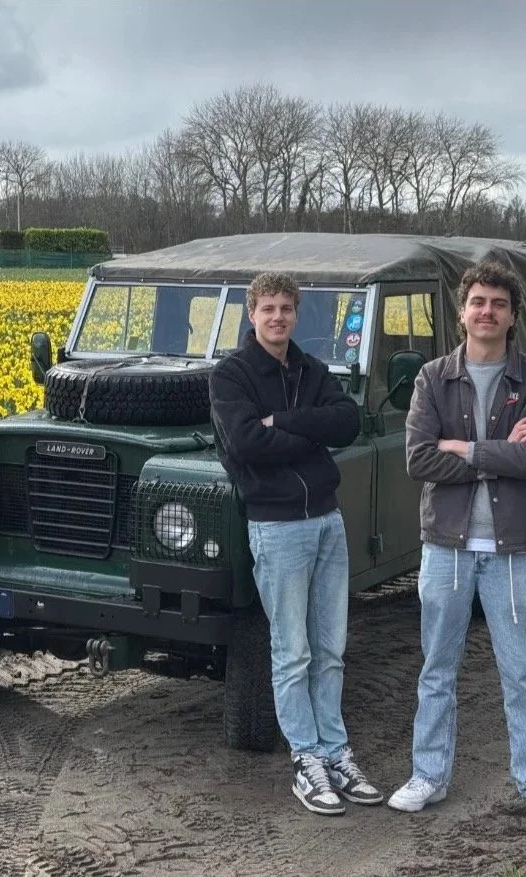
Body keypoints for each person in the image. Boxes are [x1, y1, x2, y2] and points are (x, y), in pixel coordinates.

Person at [387, 260, 526, 828]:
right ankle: (428, 775)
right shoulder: (432, 378)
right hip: (446, 545)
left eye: (498, 303)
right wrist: (495, 451)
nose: (486, 311)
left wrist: (463, 448)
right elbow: (419, 458)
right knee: (437, 668)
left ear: (512, 316)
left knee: (523, 671)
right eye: (477, 302)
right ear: (462, 311)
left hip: (513, 549)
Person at [209, 271, 382, 816]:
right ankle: (307, 762)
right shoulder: (231, 375)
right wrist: (310, 438)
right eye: (268, 308)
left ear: (296, 313)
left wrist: (284, 421)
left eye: (286, 308)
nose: (278, 317)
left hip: (327, 521)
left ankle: (337, 754)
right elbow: (244, 443)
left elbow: (347, 421)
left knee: (330, 649)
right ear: (251, 314)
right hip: (278, 527)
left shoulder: (310, 369)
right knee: (292, 652)